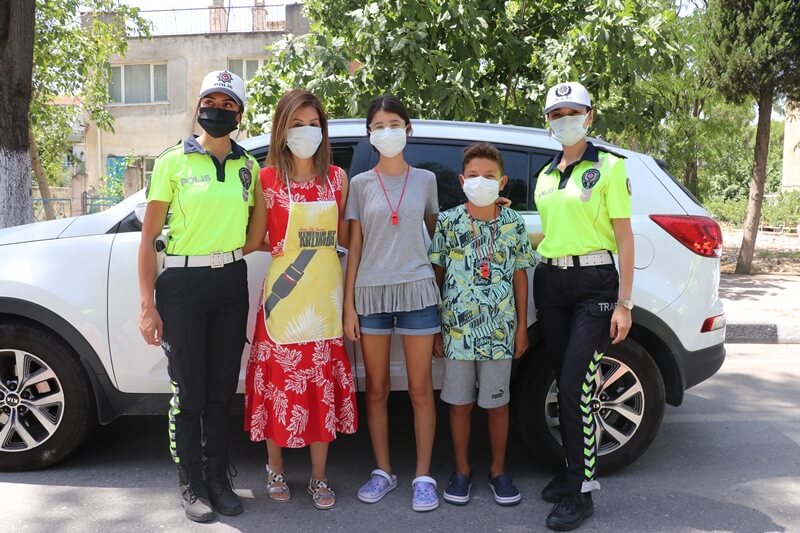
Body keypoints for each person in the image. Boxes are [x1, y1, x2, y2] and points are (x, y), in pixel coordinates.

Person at [138, 70, 265, 523]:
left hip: (230, 281)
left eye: (228, 104)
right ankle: (190, 483)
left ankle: (218, 479)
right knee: (188, 394)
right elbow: (149, 236)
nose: (218, 109)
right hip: (183, 287)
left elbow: (256, 234)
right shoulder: (173, 161)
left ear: (239, 114)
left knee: (219, 391)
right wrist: (148, 305)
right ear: (198, 106)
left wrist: (225, 251)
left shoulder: (249, 167)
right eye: (211, 100)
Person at [243, 89, 358, 511]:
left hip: (324, 298)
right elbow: (254, 239)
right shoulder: (267, 179)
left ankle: (319, 476)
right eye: (297, 123)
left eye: (313, 124)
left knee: (319, 387)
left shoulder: (337, 180)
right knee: (277, 384)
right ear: (282, 128)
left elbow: (347, 239)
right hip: (283, 300)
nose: (306, 131)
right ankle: (274, 468)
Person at [532, 81, 634, 531]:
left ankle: (582, 491)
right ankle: (572, 470)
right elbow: (552, 233)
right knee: (562, 379)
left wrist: (624, 303)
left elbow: (625, 238)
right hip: (551, 281)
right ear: (549, 122)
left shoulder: (610, 167)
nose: (564, 119)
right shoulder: (546, 174)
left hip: (595, 284)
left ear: (589, 117)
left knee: (576, 386)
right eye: (556, 114)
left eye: (573, 112)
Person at [343, 95, 441, 512]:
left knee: (420, 389)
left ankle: (423, 476)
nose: (387, 132)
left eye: (395, 123)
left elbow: (435, 236)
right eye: (379, 126)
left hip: (418, 290)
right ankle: (383, 471)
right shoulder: (360, 185)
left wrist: (438, 295)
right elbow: (354, 247)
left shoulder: (426, 181)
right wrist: (349, 306)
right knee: (378, 389)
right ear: (370, 134)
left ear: (408, 129)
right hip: (371, 294)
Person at [429, 142, 535, 507]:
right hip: (457, 332)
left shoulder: (513, 223)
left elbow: (521, 276)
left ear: (502, 182)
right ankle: (461, 471)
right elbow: (437, 275)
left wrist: (521, 328)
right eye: (473, 176)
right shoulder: (448, 221)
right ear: (462, 181)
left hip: (500, 331)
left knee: (497, 405)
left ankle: (498, 471)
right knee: (458, 405)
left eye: (488, 177)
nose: (480, 182)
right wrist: (435, 328)